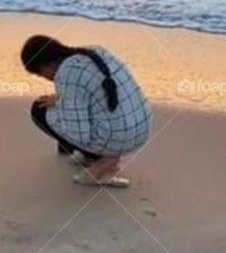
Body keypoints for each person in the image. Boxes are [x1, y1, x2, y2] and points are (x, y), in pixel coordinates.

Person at [21, 34, 152, 188]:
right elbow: (99, 93)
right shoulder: (94, 52)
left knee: (39, 109)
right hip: (141, 130)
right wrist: (62, 100)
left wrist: (61, 106)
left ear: (47, 64)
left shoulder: (66, 73)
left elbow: (79, 133)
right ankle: (95, 154)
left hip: (118, 140)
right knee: (60, 107)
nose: (45, 78)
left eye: (40, 73)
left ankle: (97, 164)